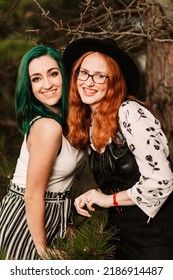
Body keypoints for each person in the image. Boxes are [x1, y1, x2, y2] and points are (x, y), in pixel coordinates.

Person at [63, 37, 173, 260]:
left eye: (100, 76)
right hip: (119, 234)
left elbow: (162, 180)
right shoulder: (90, 123)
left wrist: (107, 200)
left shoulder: (130, 112)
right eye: (83, 73)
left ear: (114, 82)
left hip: (154, 235)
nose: (88, 81)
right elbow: (120, 182)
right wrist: (91, 197)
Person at [0, 45, 85, 260]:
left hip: (54, 216)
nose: (47, 85)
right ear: (28, 87)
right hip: (27, 220)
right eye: (36, 79)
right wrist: (41, 248)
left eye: (53, 74)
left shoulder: (70, 122)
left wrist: (65, 224)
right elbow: (32, 194)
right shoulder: (48, 127)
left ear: (64, 76)